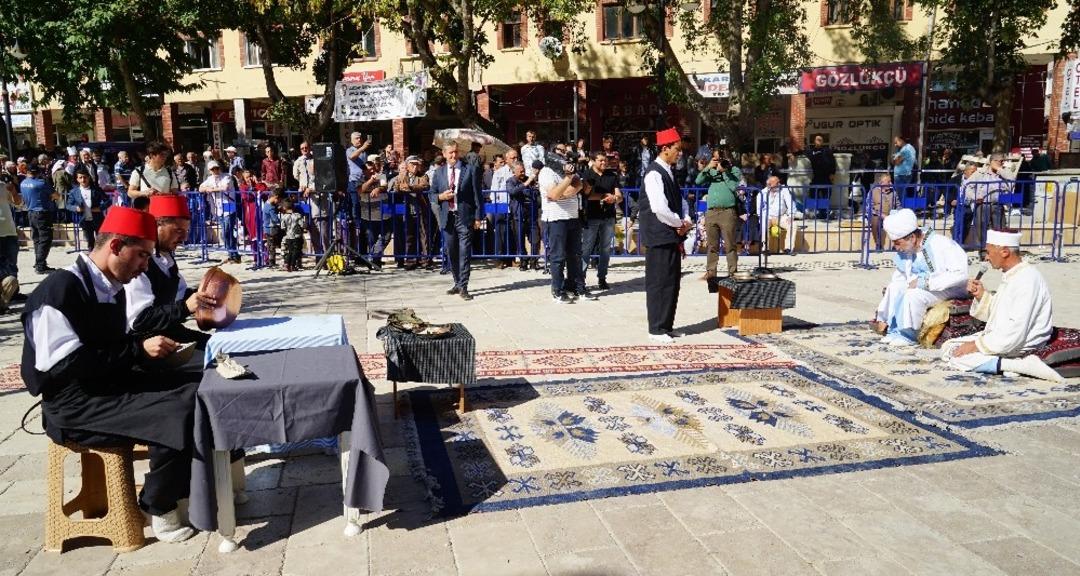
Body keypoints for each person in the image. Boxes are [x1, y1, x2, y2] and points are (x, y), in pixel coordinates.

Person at [21, 206, 201, 543]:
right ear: (116, 246)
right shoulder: (60, 290)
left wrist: (148, 350)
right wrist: (137, 350)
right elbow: (63, 363)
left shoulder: (111, 286)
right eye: (141, 256)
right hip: (74, 404)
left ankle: (189, 486)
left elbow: (113, 345)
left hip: (107, 384)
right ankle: (158, 505)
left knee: (197, 389)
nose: (145, 265)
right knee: (176, 411)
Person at [940, 229, 1061, 381]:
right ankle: (1009, 365)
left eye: (989, 252)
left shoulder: (1027, 279)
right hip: (1002, 336)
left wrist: (976, 346)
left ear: (1004, 251)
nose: (986, 257)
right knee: (948, 348)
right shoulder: (1011, 275)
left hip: (1021, 341)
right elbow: (999, 313)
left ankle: (1021, 365)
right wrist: (981, 296)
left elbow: (1016, 329)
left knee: (961, 358)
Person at [871, 208, 969, 346]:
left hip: (950, 289)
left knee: (913, 294)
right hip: (923, 287)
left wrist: (926, 283)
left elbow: (960, 274)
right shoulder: (909, 249)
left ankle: (909, 335)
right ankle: (893, 329)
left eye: (897, 243)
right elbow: (900, 277)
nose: (896, 247)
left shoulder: (941, 244)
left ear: (911, 237)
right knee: (895, 287)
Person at [126, 195, 214, 346]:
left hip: (168, 330)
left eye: (186, 231)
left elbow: (180, 294)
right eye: (178, 230)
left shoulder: (166, 258)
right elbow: (139, 321)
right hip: (145, 342)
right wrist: (186, 308)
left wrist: (206, 297)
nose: (184, 237)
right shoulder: (138, 265)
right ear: (156, 226)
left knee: (220, 344)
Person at [640, 127, 691, 342]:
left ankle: (666, 325)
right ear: (665, 148)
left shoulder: (669, 171)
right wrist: (678, 223)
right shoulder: (653, 173)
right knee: (659, 282)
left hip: (671, 235)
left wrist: (686, 220)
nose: (679, 153)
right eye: (676, 149)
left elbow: (681, 201)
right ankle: (656, 328)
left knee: (671, 282)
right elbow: (659, 208)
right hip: (659, 235)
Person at [431, 143, 484, 300]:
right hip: (447, 218)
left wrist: (478, 217)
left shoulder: (470, 170)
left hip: (464, 217)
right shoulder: (439, 172)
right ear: (444, 154)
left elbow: (477, 195)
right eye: (450, 153)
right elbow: (432, 193)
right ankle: (457, 282)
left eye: (455, 152)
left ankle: (464, 287)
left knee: (464, 253)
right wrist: (441, 197)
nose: (453, 155)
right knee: (452, 252)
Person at [540, 148, 587, 303]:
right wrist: (567, 179)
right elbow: (553, 195)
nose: (564, 155)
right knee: (558, 256)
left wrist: (563, 192)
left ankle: (575, 287)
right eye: (560, 151)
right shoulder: (546, 172)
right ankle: (558, 290)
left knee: (575, 255)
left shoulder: (570, 169)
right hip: (556, 219)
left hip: (573, 216)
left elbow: (579, 186)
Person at [697, 152, 742, 279]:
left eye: (724, 159)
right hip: (711, 212)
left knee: (730, 244)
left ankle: (733, 272)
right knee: (712, 245)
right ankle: (711, 272)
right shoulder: (711, 170)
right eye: (719, 159)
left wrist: (724, 172)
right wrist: (708, 167)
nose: (722, 161)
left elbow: (733, 186)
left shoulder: (734, 171)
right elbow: (698, 181)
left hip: (727, 212)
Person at [581, 152, 621, 292]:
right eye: (601, 161)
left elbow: (619, 195)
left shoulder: (612, 175)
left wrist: (614, 199)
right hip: (592, 216)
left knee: (605, 248)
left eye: (605, 161)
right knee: (587, 248)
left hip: (608, 216)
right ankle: (581, 279)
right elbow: (586, 194)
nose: (604, 163)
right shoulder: (587, 174)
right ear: (593, 161)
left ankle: (602, 277)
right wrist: (604, 196)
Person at [391, 156, 431, 270]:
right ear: (407, 166)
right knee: (409, 235)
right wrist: (400, 188)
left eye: (416, 165)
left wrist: (410, 187)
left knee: (424, 236)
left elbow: (424, 185)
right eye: (412, 164)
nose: (415, 167)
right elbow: (396, 187)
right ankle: (411, 260)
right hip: (408, 210)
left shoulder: (423, 176)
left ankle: (425, 260)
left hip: (420, 209)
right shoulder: (402, 176)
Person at [199, 161, 240, 263]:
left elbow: (225, 187)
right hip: (218, 207)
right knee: (226, 232)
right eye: (213, 169)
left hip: (229, 204)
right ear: (210, 171)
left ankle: (233, 252)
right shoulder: (210, 179)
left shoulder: (227, 176)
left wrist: (211, 189)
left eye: (216, 168)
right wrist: (207, 188)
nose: (215, 170)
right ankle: (233, 254)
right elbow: (200, 188)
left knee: (226, 231)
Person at [21, 164, 57, 274]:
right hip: (42, 213)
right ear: (38, 172)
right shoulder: (41, 183)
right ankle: (40, 265)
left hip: (31, 212)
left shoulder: (23, 183)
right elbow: (56, 195)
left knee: (37, 239)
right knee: (45, 239)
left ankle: (39, 263)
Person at [293, 142, 327, 255]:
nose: (304, 150)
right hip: (306, 198)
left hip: (318, 197)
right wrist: (302, 184)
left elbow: (322, 178)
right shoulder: (299, 161)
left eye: (306, 147)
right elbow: (295, 175)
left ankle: (326, 255)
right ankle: (318, 255)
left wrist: (311, 188)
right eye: (302, 148)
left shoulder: (317, 159)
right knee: (312, 228)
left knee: (323, 230)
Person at [357, 160, 391, 270]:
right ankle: (375, 262)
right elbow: (360, 190)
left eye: (372, 169)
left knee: (386, 237)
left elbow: (385, 186)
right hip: (368, 216)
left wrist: (378, 188)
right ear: (364, 171)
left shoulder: (381, 176)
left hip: (383, 214)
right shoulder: (360, 178)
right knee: (371, 240)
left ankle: (373, 256)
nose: (371, 171)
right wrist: (371, 181)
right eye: (368, 170)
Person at [508, 161, 542, 271]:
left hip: (531, 214)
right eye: (520, 171)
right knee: (520, 240)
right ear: (514, 172)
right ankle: (523, 261)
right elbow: (512, 191)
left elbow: (537, 193)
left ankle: (534, 261)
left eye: (523, 171)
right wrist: (525, 184)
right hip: (518, 215)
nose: (523, 173)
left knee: (535, 239)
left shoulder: (530, 180)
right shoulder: (511, 181)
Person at [66, 168, 109, 250]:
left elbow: (108, 201)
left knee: (100, 241)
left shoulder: (96, 189)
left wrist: (100, 208)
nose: (83, 180)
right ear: (77, 179)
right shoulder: (74, 192)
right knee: (90, 242)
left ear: (89, 177)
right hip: (84, 219)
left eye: (85, 177)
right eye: (80, 177)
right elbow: (68, 205)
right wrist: (76, 208)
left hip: (97, 218)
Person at [128, 142, 179, 209]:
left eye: (166, 155)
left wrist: (163, 195)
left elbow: (175, 193)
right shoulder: (138, 171)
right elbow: (130, 192)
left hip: (164, 211)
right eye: (162, 155)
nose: (165, 157)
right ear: (152, 155)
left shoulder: (170, 172)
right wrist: (144, 193)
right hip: (146, 211)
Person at [758, 175, 797, 254]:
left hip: (781, 216)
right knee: (763, 225)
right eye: (777, 183)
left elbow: (791, 204)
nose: (779, 184)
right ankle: (765, 248)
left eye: (779, 182)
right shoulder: (762, 193)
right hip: (767, 216)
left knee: (793, 225)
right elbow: (759, 210)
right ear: (769, 185)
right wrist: (763, 217)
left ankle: (788, 248)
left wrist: (791, 215)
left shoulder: (784, 190)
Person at [0, 169, 21, 310]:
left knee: (12, 264)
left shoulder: (3, 185)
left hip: (10, 231)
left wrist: (13, 191)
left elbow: (18, 203)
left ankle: (11, 294)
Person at [345, 132, 374, 224]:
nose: (359, 140)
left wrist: (370, 176)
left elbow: (363, 166)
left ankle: (363, 223)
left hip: (363, 181)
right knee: (355, 203)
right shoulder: (349, 150)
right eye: (357, 138)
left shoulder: (364, 153)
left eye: (360, 138)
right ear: (352, 140)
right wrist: (363, 147)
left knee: (363, 203)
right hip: (353, 181)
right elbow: (352, 157)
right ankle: (356, 224)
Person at [866, 173, 899, 251]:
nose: (890, 183)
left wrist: (898, 213)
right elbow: (868, 207)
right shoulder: (873, 191)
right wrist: (880, 214)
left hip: (890, 214)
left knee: (899, 223)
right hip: (877, 214)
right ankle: (878, 244)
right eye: (888, 182)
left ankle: (897, 245)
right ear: (881, 183)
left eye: (890, 181)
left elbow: (898, 205)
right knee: (875, 222)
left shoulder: (893, 193)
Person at [806, 134, 836, 219]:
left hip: (826, 177)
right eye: (817, 139)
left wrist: (832, 174)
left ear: (823, 142)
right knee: (813, 194)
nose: (819, 141)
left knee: (826, 195)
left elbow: (833, 163)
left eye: (820, 140)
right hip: (815, 177)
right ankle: (814, 212)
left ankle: (823, 213)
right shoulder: (810, 152)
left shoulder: (827, 151)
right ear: (814, 141)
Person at [280, 198, 305, 271]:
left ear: (284, 208)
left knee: (290, 251)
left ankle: (287, 263)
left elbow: (282, 227)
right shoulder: (298, 215)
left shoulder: (284, 217)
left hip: (288, 236)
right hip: (297, 236)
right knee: (295, 251)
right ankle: (292, 265)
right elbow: (302, 225)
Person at [261, 190, 284, 268]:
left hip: (267, 228)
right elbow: (275, 219)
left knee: (271, 246)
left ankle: (271, 261)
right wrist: (281, 221)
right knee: (272, 246)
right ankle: (272, 262)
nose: (278, 202)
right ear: (275, 197)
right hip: (271, 229)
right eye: (279, 200)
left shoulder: (266, 204)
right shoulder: (270, 207)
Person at [891, 135, 917, 201]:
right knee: (903, 195)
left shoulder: (906, 149)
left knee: (901, 196)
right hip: (905, 174)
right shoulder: (907, 148)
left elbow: (896, 162)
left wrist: (893, 159)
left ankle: (903, 209)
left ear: (901, 140)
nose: (895, 145)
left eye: (896, 142)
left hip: (901, 175)